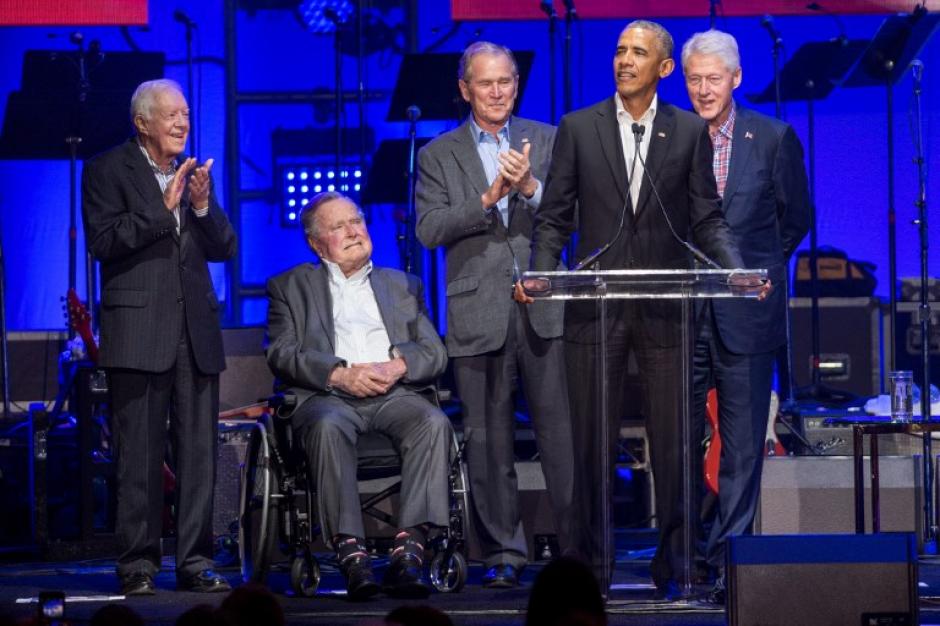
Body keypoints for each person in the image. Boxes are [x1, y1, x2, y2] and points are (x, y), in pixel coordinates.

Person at [520, 20, 747, 599]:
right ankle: (591, 570)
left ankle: (678, 568)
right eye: (620, 50)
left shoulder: (688, 131)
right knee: (592, 445)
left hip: (667, 310)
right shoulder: (578, 127)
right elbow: (555, 218)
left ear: (663, 68)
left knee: (674, 445)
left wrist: (735, 268)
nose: (624, 60)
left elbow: (706, 218)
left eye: (638, 53)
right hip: (594, 311)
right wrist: (543, 272)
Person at [415, 41, 577, 588]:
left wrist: (530, 188)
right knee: (488, 440)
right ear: (465, 90)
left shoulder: (549, 139)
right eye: (486, 83)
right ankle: (505, 552)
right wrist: (486, 199)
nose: (498, 92)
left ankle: (575, 548)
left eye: (506, 81)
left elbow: (576, 216)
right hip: (476, 312)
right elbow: (428, 229)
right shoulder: (439, 154)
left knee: (560, 433)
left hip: (544, 308)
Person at [82, 79, 237, 596]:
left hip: (194, 333)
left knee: (198, 457)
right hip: (138, 333)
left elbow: (225, 247)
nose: (182, 123)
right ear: (142, 122)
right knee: (140, 458)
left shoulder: (193, 176)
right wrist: (163, 207)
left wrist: (198, 206)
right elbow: (104, 241)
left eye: (186, 114)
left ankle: (195, 562)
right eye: (170, 115)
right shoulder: (107, 169)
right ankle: (139, 565)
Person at [265, 192, 453, 600]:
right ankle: (351, 553)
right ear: (316, 244)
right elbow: (281, 352)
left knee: (433, 422)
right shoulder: (289, 287)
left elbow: (435, 351)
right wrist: (337, 374)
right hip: (329, 397)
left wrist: (397, 366)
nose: (353, 232)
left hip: (393, 393)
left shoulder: (402, 284)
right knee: (328, 426)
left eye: (357, 221)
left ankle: (410, 550)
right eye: (338, 227)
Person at [682, 30, 810, 604]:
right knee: (678, 440)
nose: (704, 89)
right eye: (694, 79)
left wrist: (749, 273)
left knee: (739, 445)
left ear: (736, 78)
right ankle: (684, 555)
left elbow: (795, 220)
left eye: (714, 78)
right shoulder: (672, 138)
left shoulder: (774, 138)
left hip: (745, 314)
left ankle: (729, 561)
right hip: (683, 314)